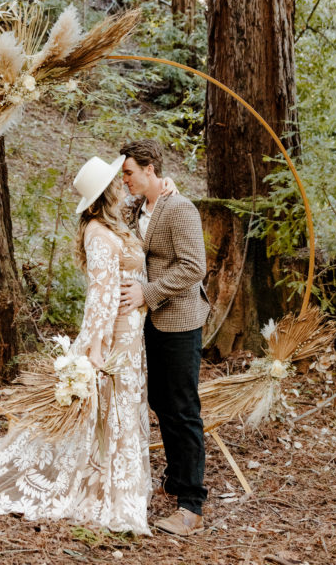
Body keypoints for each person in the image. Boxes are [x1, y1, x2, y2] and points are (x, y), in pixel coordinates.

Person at [0, 154, 152, 534]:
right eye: (114, 182)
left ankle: (113, 484)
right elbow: (100, 298)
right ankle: (100, 490)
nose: (120, 185)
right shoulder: (98, 233)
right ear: (102, 194)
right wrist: (94, 350)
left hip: (130, 335)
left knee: (119, 410)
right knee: (108, 411)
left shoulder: (116, 226)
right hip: (111, 340)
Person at [119, 138, 209, 537]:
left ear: (150, 170)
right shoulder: (138, 206)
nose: (125, 180)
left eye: (129, 173)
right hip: (151, 323)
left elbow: (194, 267)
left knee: (182, 408)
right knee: (160, 400)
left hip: (179, 321)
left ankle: (191, 504)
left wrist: (148, 293)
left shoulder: (181, 209)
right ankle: (174, 480)